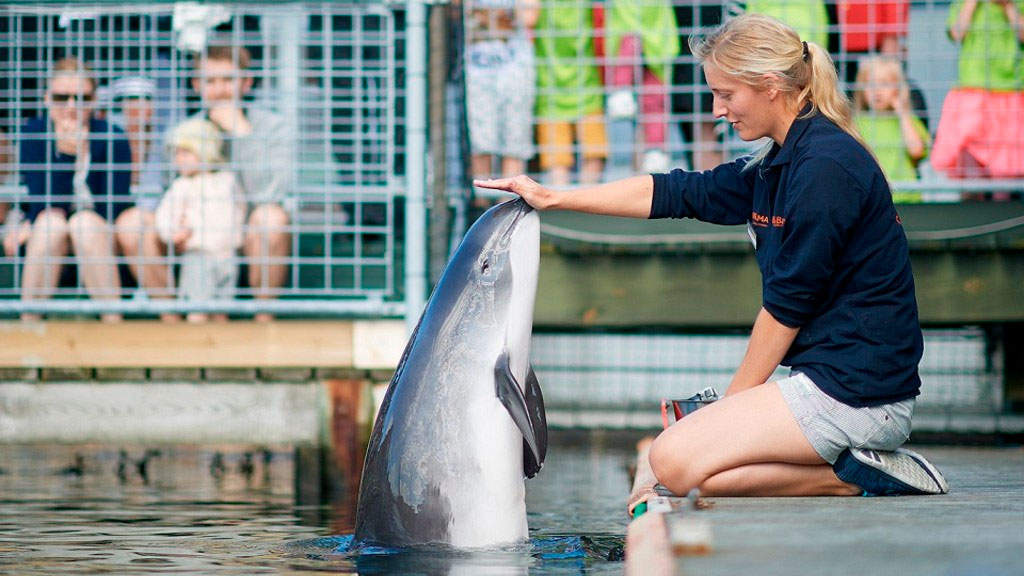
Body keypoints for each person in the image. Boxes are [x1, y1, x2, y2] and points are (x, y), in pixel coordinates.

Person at [476, 14, 949, 503]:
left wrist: (729, 409)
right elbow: (677, 192)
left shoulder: (824, 167)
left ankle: (855, 476)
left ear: (769, 86)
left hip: (861, 398)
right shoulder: (779, 162)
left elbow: (787, 308)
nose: (717, 110)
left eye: (726, 94)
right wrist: (554, 197)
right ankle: (850, 470)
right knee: (689, 471)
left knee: (674, 461)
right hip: (825, 382)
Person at [128, 45, 295, 321]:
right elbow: (167, 192)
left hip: (244, 234)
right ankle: (174, 322)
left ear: (246, 82)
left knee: (272, 218)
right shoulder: (182, 133)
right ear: (197, 85)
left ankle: (264, 322)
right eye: (210, 81)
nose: (219, 91)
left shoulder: (273, 128)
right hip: (195, 236)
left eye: (228, 80)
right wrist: (176, 225)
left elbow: (269, 193)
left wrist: (241, 132)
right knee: (131, 223)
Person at [12, 57, 132, 322]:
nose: (71, 106)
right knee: (52, 224)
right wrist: (67, 157)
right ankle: (28, 330)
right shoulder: (33, 133)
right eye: (61, 97)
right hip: (50, 234)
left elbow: (112, 206)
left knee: (84, 223)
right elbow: (43, 201)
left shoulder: (112, 136)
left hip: (98, 235)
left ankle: (114, 330)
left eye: (81, 98)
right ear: (46, 98)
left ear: (94, 100)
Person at [155, 118, 246, 323]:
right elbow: (165, 214)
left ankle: (220, 348)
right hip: (199, 254)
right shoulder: (182, 185)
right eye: (176, 153)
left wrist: (238, 235)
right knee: (197, 307)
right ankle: (194, 345)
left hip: (227, 253)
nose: (178, 159)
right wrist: (174, 233)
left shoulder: (227, 180)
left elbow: (240, 207)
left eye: (185, 153)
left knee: (223, 306)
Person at [931, 0, 1024, 180]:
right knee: (968, 154)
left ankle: (1002, 204)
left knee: (1006, 166)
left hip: (1009, 87)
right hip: (972, 86)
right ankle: (971, 201)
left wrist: (1007, 7)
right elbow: (957, 33)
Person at [464, 0, 540, 208]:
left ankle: (509, 207)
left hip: (515, 68)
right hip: (478, 70)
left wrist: (486, 16)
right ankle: (480, 207)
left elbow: (529, 16)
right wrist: (495, 17)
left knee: (514, 143)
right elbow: (460, 12)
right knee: (480, 143)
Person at [534, 0, 608, 186]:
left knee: (558, 163)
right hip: (583, 89)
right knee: (592, 157)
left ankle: (563, 206)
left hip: (554, 92)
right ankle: (584, 205)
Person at [603, 0, 680, 174]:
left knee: (654, 99)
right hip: (631, 37)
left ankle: (656, 150)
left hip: (656, 40)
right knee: (629, 46)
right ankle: (621, 92)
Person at [853, 56, 930, 202]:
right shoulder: (857, 122)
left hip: (906, 198)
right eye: (870, 84)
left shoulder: (907, 119)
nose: (877, 91)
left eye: (885, 84)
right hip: (872, 199)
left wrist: (902, 113)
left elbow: (917, 151)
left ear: (898, 89)